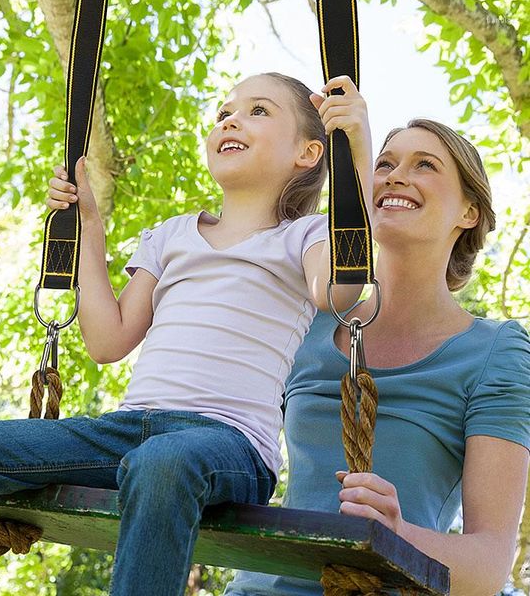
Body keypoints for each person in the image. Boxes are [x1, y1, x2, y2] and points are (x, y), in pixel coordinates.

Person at [0, 72, 367, 596]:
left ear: (309, 152)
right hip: (127, 432)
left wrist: (356, 159)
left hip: (228, 443)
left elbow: (337, 292)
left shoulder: (307, 236)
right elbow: (108, 341)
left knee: (162, 462)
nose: (230, 118)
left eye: (258, 111)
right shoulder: (171, 234)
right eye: (225, 111)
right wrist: (89, 225)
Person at [225, 104, 530, 594]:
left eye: (424, 165)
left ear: (469, 211)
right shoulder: (308, 320)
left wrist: (397, 535)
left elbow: (489, 566)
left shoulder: (496, 352)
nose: (394, 177)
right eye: (384, 165)